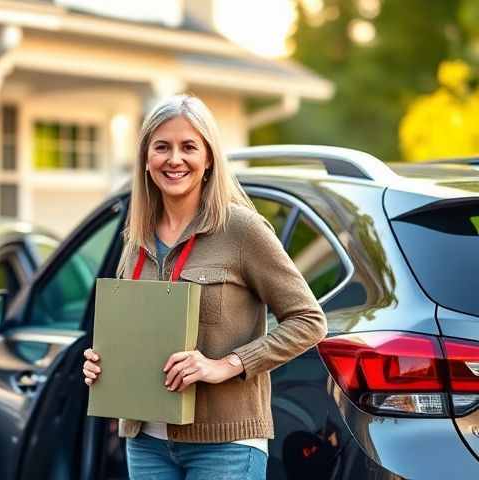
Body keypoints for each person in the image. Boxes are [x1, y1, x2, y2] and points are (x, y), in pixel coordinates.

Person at [82, 94, 328, 480]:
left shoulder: (241, 230)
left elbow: (309, 320)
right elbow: (132, 331)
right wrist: (102, 364)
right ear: (146, 159)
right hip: (146, 442)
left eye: (189, 147)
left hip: (225, 446)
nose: (174, 159)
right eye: (161, 147)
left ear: (209, 157)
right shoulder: (136, 240)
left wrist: (226, 365)